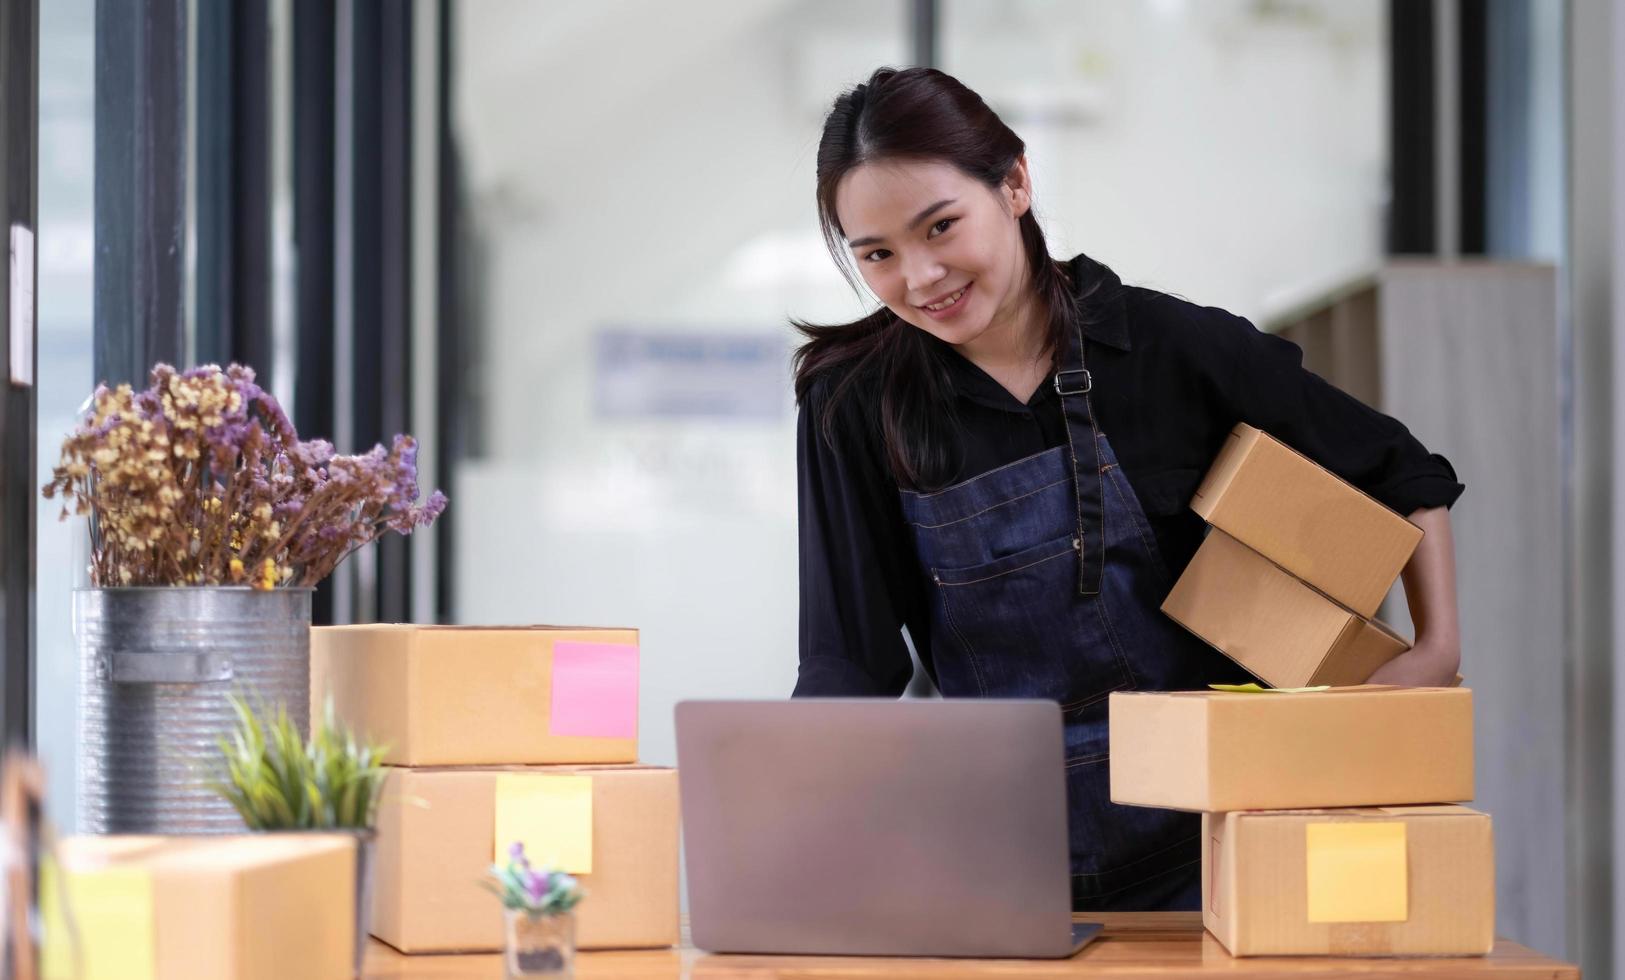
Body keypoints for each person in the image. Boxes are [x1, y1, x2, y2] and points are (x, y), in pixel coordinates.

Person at [789, 67, 1465, 912]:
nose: (920, 278)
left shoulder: (1169, 346)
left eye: (940, 227)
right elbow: (848, 660)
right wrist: (797, 824)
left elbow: (1400, 469)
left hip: (1223, 850)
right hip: (1007, 867)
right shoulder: (850, 403)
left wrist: (1435, 651)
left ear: (1015, 184)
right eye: (878, 255)